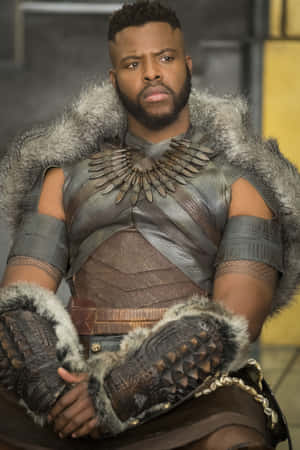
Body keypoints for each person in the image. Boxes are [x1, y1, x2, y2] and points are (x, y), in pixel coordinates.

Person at [0, 1, 298, 449]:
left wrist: (115, 395)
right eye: (133, 63)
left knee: (234, 442)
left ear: (187, 66)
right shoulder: (61, 179)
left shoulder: (244, 185)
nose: (152, 73)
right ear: (113, 78)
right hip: (72, 380)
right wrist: (58, 395)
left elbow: (231, 321)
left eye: (165, 58)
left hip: (195, 390)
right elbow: (19, 304)